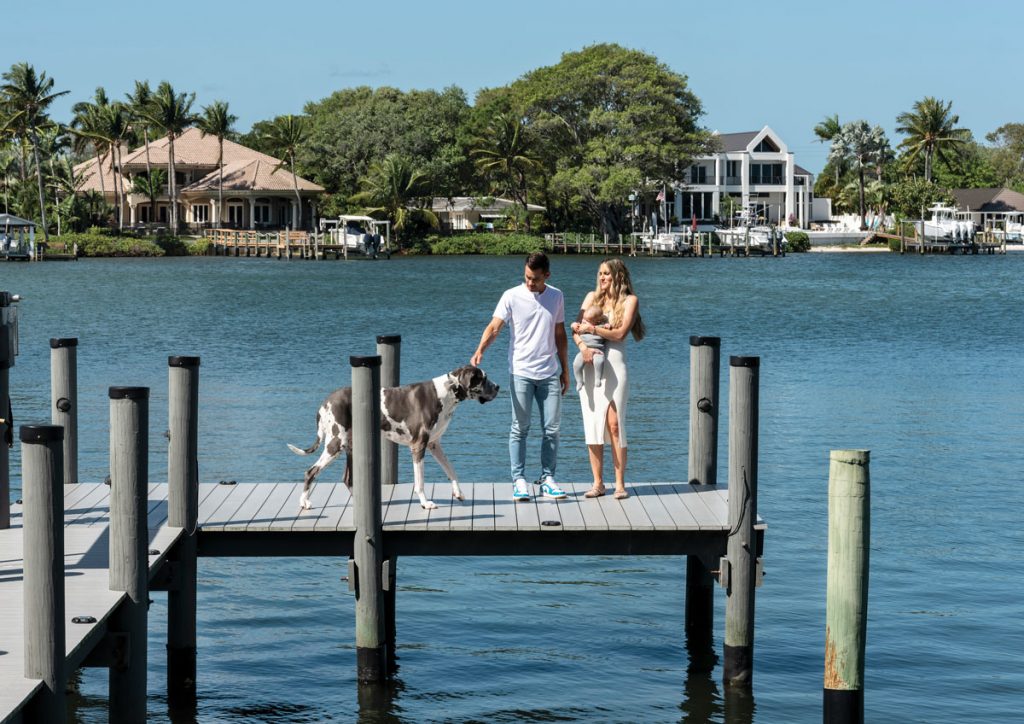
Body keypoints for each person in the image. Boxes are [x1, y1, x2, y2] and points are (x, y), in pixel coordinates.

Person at [471, 252, 569, 501]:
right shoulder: (511, 296)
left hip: (549, 372)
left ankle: (548, 479)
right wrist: (480, 349)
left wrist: (565, 369)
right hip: (521, 372)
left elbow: (560, 334)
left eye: (535, 279)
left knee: (552, 429)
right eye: (526, 277)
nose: (529, 283)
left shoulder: (556, 296)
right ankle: (519, 480)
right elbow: (494, 327)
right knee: (520, 428)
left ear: (546, 275)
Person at [570, 258, 646, 500]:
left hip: (615, 367)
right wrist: (583, 347)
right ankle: (598, 483)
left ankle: (620, 484)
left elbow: (620, 333)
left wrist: (593, 330)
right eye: (600, 273)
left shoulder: (630, 301)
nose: (602, 278)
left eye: (607, 274)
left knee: (614, 425)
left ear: (618, 276)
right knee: (593, 423)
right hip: (591, 366)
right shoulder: (591, 298)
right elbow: (576, 330)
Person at [571, 304, 608, 391]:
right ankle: (579, 381)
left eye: (587, 320)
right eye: (583, 318)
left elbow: (607, 328)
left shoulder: (599, 327)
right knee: (576, 364)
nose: (583, 321)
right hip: (584, 350)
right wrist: (573, 325)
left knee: (599, 362)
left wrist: (607, 326)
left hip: (598, 350)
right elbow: (573, 326)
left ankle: (598, 378)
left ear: (596, 322)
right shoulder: (581, 326)